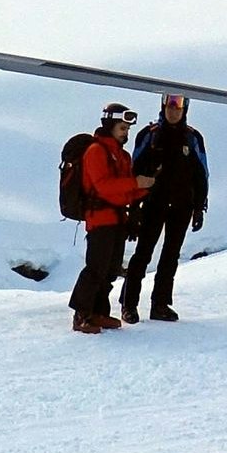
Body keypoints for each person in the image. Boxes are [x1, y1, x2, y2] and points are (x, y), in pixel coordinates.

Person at [120, 94, 210, 321]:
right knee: (142, 255)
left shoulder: (192, 137)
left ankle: (160, 305)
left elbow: (202, 174)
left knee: (170, 256)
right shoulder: (149, 135)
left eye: (178, 105)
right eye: (170, 104)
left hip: (182, 206)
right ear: (163, 106)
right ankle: (128, 305)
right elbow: (135, 170)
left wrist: (199, 207)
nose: (173, 110)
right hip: (152, 204)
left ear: (185, 108)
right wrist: (133, 208)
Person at [67, 106, 143, 332]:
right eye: (122, 128)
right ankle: (81, 315)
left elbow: (125, 191)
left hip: (118, 219)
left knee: (110, 270)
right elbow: (103, 187)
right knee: (95, 269)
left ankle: (98, 312)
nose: (125, 133)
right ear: (110, 126)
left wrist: (146, 187)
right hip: (100, 219)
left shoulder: (122, 155)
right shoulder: (95, 151)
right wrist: (137, 183)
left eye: (127, 128)